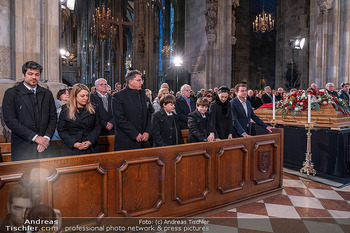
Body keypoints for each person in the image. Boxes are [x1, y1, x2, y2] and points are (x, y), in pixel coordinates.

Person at [2, 61, 57, 161]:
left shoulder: (47, 94)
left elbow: (53, 118)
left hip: (45, 147)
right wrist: (35, 138)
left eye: (37, 74)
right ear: (23, 75)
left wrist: (47, 138)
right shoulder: (12, 93)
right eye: (30, 74)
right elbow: (11, 121)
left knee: (48, 176)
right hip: (23, 148)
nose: (34, 77)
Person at [112, 70, 152, 151]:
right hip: (126, 141)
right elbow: (120, 119)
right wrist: (135, 134)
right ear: (130, 81)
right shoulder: (118, 96)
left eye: (142, 80)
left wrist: (147, 131)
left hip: (144, 141)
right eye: (138, 80)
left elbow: (151, 113)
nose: (141, 83)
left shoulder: (143, 95)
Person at [58, 83, 102, 155]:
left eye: (87, 95)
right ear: (75, 96)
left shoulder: (94, 109)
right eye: (82, 96)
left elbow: (98, 127)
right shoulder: (65, 109)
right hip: (72, 148)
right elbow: (62, 130)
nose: (86, 98)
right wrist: (74, 143)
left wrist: (90, 141)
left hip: (90, 147)